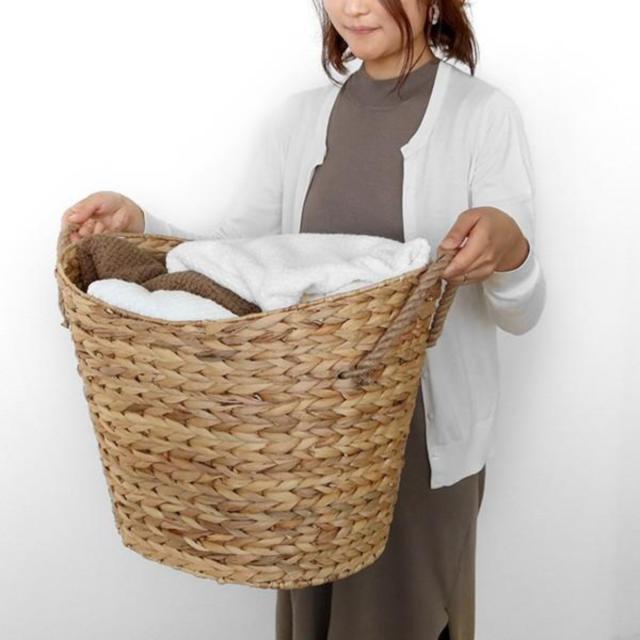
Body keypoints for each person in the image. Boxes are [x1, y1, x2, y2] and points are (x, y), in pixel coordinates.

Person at [60, 1, 546, 638]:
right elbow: (239, 262)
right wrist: (140, 227)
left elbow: (522, 312)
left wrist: (511, 249)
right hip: (305, 446)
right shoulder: (298, 122)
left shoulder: (483, 116)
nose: (353, 7)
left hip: (421, 446)